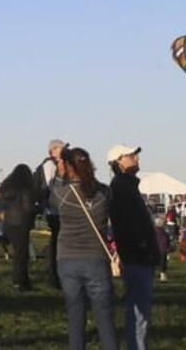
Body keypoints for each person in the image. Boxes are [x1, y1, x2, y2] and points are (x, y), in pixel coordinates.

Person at [51, 147, 118, 350]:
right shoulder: (104, 193)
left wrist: (59, 172)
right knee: (105, 320)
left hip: (68, 259)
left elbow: (51, 197)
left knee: (75, 317)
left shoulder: (61, 195)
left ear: (69, 166)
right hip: (96, 258)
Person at [107, 144, 159, 350]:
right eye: (131, 155)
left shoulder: (126, 185)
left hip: (137, 253)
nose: (136, 158)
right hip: (137, 255)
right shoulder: (122, 186)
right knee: (139, 312)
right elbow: (130, 224)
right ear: (119, 161)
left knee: (139, 311)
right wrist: (144, 247)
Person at [0, 163, 36, 290]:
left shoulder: (6, 187)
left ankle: (21, 281)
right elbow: (28, 207)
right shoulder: (25, 187)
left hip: (9, 222)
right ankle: (20, 281)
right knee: (22, 255)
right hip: (21, 222)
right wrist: (38, 209)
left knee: (18, 253)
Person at [35, 138, 67, 288]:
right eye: (61, 148)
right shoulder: (49, 165)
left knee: (58, 243)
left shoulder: (54, 164)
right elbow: (51, 187)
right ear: (53, 151)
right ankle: (54, 276)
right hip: (53, 210)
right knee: (56, 244)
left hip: (55, 209)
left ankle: (56, 275)